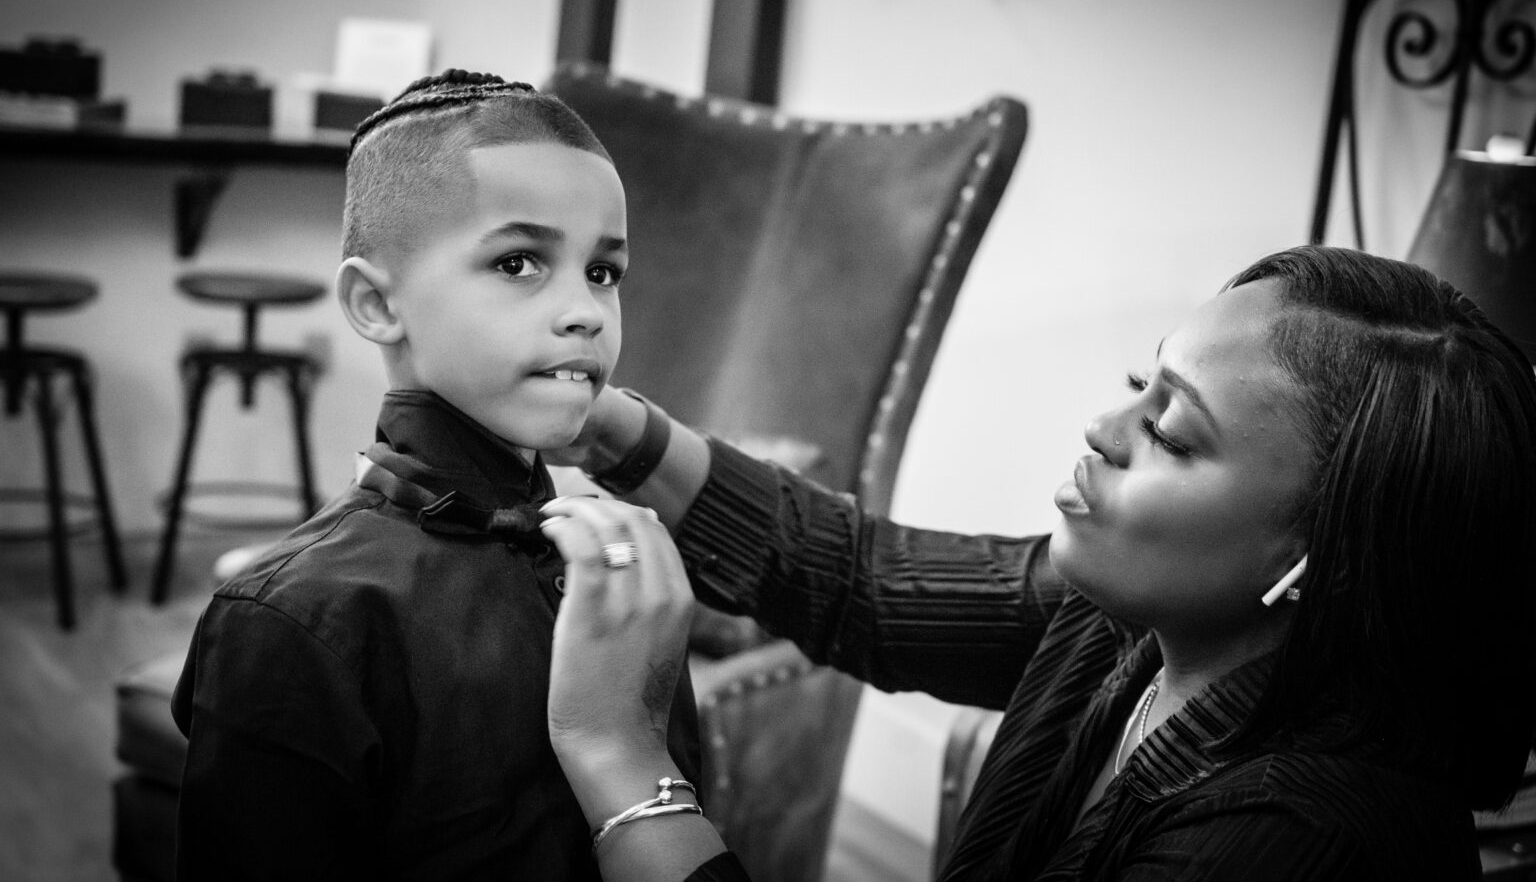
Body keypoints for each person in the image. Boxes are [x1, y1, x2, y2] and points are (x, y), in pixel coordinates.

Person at [537, 244, 1536, 881]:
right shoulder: (1135, 626)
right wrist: (613, 427)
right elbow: (864, 581)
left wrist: (621, 753)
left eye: (1175, 432)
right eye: (1140, 383)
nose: (1104, 428)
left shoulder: (1300, 841)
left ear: (1320, 559)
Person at [170, 69, 702, 880]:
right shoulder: (294, 621)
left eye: (604, 272)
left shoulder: (617, 577)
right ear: (378, 305)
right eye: (520, 262)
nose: (587, 311)